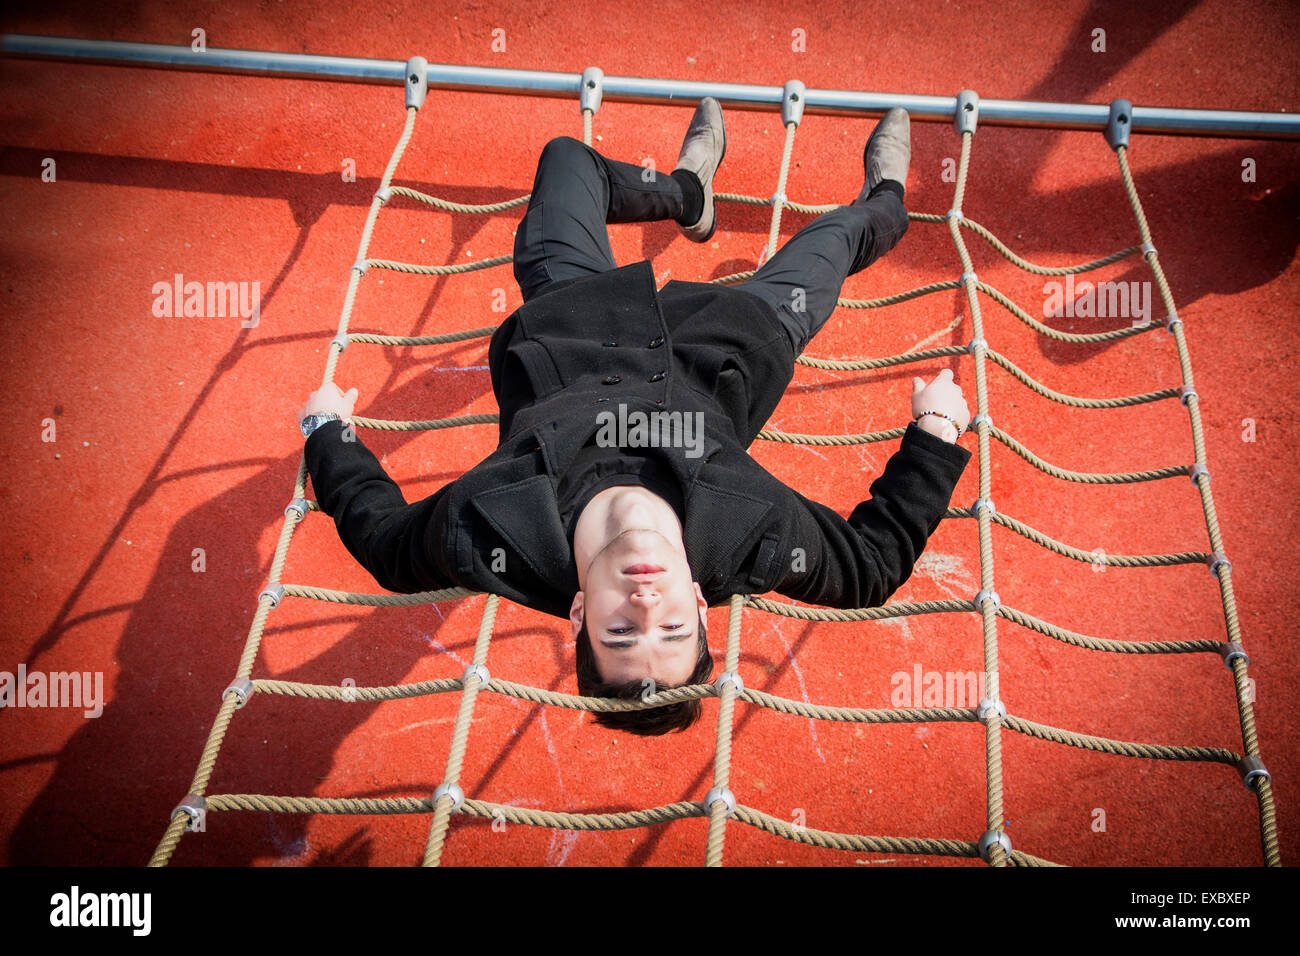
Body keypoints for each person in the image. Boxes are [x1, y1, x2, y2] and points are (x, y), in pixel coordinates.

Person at [297, 101, 973, 736]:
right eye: (674, 631)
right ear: (702, 610)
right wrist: (936, 434)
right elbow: (873, 569)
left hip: (576, 320)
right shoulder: (754, 539)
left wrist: (325, 432)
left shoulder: (482, 531)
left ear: (581, 614)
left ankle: (686, 193)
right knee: (842, 234)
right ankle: (888, 196)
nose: (648, 608)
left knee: (567, 159)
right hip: (730, 344)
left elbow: (384, 545)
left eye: (620, 634)